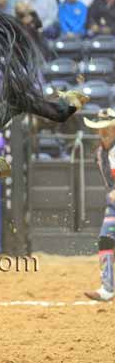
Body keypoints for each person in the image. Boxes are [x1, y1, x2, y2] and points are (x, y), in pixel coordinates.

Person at [84, 109, 115, 301]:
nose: (103, 132)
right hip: (113, 204)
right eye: (100, 129)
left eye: (107, 128)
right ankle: (108, 288)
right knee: (105, 239)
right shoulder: (100, 153)